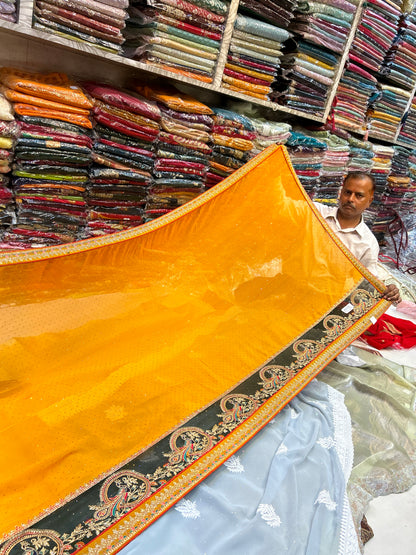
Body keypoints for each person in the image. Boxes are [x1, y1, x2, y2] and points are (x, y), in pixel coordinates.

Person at [314, 171, 401, 304]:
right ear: (340, 193)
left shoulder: (368, 243)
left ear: (369, 201)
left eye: (359, 195)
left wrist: (388, 290)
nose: (350, 199)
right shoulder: (314, 212)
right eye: (347, 192)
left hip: (324, 301)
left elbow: (368, 284)